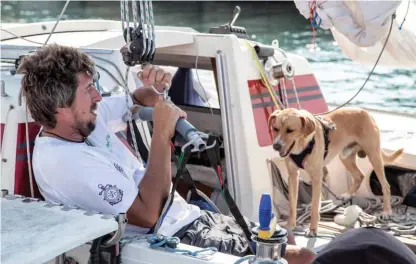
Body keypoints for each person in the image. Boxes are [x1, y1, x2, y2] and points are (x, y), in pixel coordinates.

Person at [18, 44, 316, 264]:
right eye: (88, 90)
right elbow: (148, 214)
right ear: (61, 106)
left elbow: (138, 98)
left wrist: (156, 91)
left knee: (283, 237)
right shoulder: (64, 164)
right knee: (301, 257)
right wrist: (161, 134)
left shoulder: (84, 120)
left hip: (189, 217)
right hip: (169, 236)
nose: (98, 96)